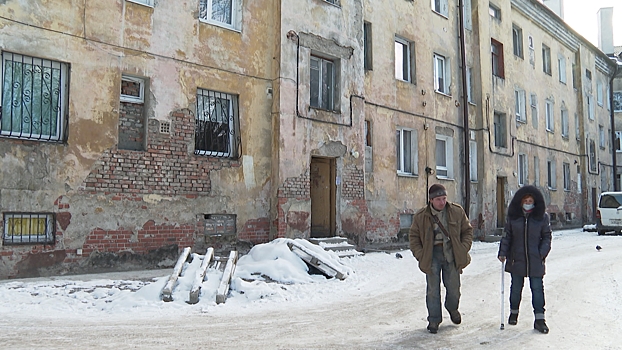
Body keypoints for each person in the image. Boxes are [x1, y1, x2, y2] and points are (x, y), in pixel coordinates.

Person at [409, 184, 473, 334]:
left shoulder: (456, 211)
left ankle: (452, 308)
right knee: (432, 290)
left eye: (444, 198)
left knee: (454, 288)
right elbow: (413, 237)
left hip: (451, 253)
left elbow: (467, 231)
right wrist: (420, 254)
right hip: (431, 255)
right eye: (438, 199)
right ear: (431, 200)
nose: (442, 202)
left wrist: (463, 249)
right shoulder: (421, 216)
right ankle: (434, 319)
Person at [497, 185, 552, 334]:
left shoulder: (541, 217)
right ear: (520, 202)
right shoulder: (513, 217)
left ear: (535, 202)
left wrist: (542, 253)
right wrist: (503, 253)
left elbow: (547, 236)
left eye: (530, 200)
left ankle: (540, 320)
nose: (528, 203)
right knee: (515, 289)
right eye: (525, 200)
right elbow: (507, 236)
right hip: (517, 259)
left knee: (537, 290)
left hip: (535, 260)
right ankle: (514, 312)